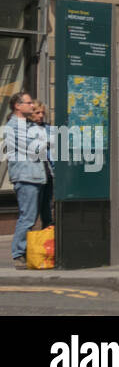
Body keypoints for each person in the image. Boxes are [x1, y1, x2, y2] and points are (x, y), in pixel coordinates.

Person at [3, 92, 46, 269]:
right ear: (17, 106)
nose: (32, 106)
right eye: (28, 103)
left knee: (31, 216)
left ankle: (27, 251)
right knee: (27, 217)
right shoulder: (14, 126)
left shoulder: (26, 125)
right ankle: (18, 253)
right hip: (26, 176)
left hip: (34, 175)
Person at [31, 102, 54, 230]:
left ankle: (46, 231)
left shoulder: (48, 128)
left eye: (42, 113)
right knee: (34, 206)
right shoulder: (28, 129)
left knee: (47, 204)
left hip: (48, 171)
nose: (40, 116)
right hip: (34, 173)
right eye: (37, 113)